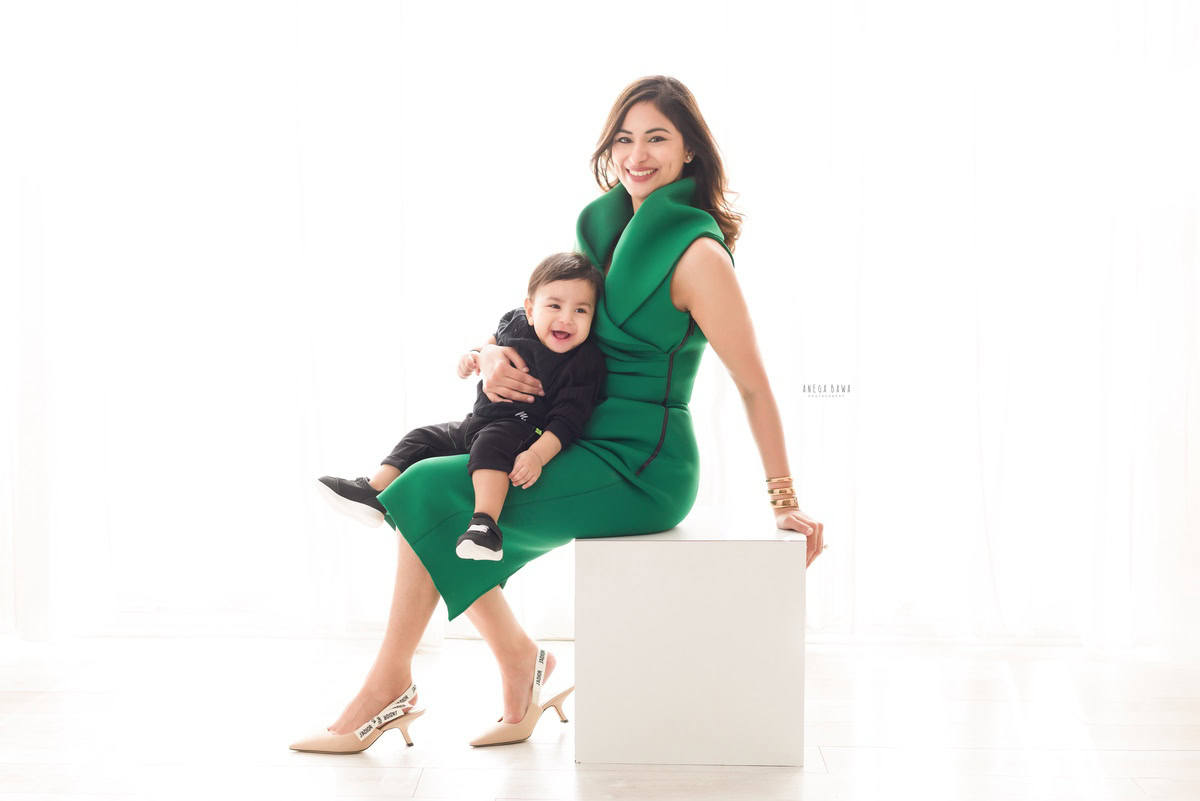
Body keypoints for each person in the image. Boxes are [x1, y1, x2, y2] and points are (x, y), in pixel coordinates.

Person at [288, 75, 827, 755]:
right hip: (570, 430)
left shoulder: (698, 254)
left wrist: (785, 500)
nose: (638, 154)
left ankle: (392, 682)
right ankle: (522, 661)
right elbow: (551, 317)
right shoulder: (605, 231)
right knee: (424, 475)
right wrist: (488, 352)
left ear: (689, 149)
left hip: (642, 463)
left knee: (427, 492)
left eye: (657, 137)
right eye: (625, 138)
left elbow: (752, 384)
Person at [315, 251, 607, 562]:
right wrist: (476, 353)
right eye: (555, 306)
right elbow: (494, 338)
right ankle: (375, 492)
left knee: (491, 447)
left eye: (580, 311)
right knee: (421, 437)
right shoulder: (516, 321)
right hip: (477, 420)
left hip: (522, 427)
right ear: (531, 310)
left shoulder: (582, 361)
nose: (566, 318)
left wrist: (537, 454)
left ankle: (485, 526)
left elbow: (567, 420)